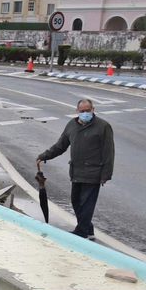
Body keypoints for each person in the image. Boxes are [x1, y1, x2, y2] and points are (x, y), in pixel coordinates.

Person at [36, 99, 114, 239]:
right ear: (77, 111)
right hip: (76, 171)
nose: (85, 113)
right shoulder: (72, 125)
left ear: (93, 110)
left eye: (88, 110)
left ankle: (81, 232)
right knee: (76, 201)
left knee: (86, 204)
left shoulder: (103, 126)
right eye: (82, 111)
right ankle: (88, 229)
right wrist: (45, 155)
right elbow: (61, 145)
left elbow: (108, 152)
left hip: (93, 172)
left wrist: (105, 175)